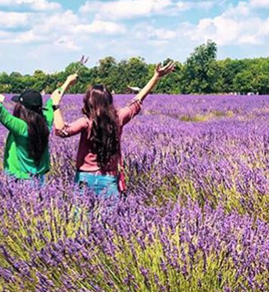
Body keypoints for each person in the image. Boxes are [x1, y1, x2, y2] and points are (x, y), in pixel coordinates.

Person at [52, 60, 176, 198]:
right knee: (111, 217)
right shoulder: (118, 118)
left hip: (85, 179)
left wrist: (55, 106)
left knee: (83, 217)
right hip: (109, 179)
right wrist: (156, 77)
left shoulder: (86, 122)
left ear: (88, 103)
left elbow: (61, 131)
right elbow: (137, 100)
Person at [0, 74, 78, 182]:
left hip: (19, 180)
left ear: (22, 108)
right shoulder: (46, 121)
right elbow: (54, 98)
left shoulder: (20, 127)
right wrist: (67, 82)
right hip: (40, 179)